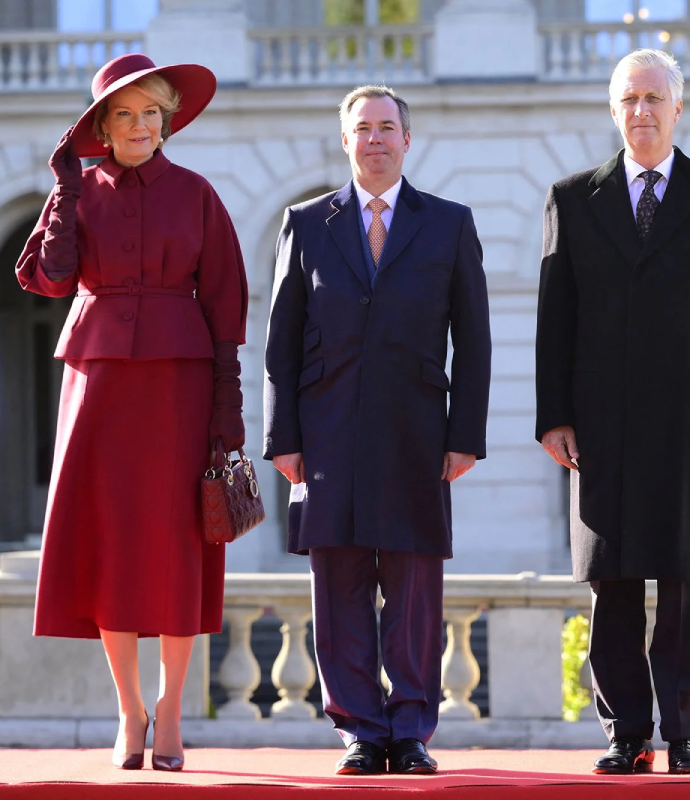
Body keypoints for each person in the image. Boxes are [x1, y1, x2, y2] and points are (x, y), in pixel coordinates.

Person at [535, 49, 690, 775]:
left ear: (678, 107)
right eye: (628, 99)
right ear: (614, 111)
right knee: (612, 579)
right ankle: (626, 733)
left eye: (653, 99)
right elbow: (555, 319)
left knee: (689, 578)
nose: (641, 112)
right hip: (601, 421)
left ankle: (684, 732)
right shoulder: (573, 198)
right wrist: (554, 416)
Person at [16, 53, 248, 773]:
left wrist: (228, 410)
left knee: (179, 548)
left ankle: (173, 708)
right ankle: (129, 711)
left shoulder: (199, 194)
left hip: (180, 387)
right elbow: (50, 280)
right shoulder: (78, 193)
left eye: (153, 113)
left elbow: (226, 308)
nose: (142, 126)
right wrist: (62, 190)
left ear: (167, 120)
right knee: (111, 543)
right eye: (126, 114)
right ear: (102, 127)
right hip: (100, 386)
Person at [264, 85, 491, 776]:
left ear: (407, 140)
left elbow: (474, 340)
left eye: (387, 127)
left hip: (418, 434)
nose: (375, 139)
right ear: (345, 141)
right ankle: (361, 731)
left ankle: (412, 731)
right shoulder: (305, 223)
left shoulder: (448, 223)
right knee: (338, 590)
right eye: (362, 128)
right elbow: (280, 341)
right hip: (327, 435)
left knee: (415, 591)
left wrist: (466, 434)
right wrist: (283, 437)